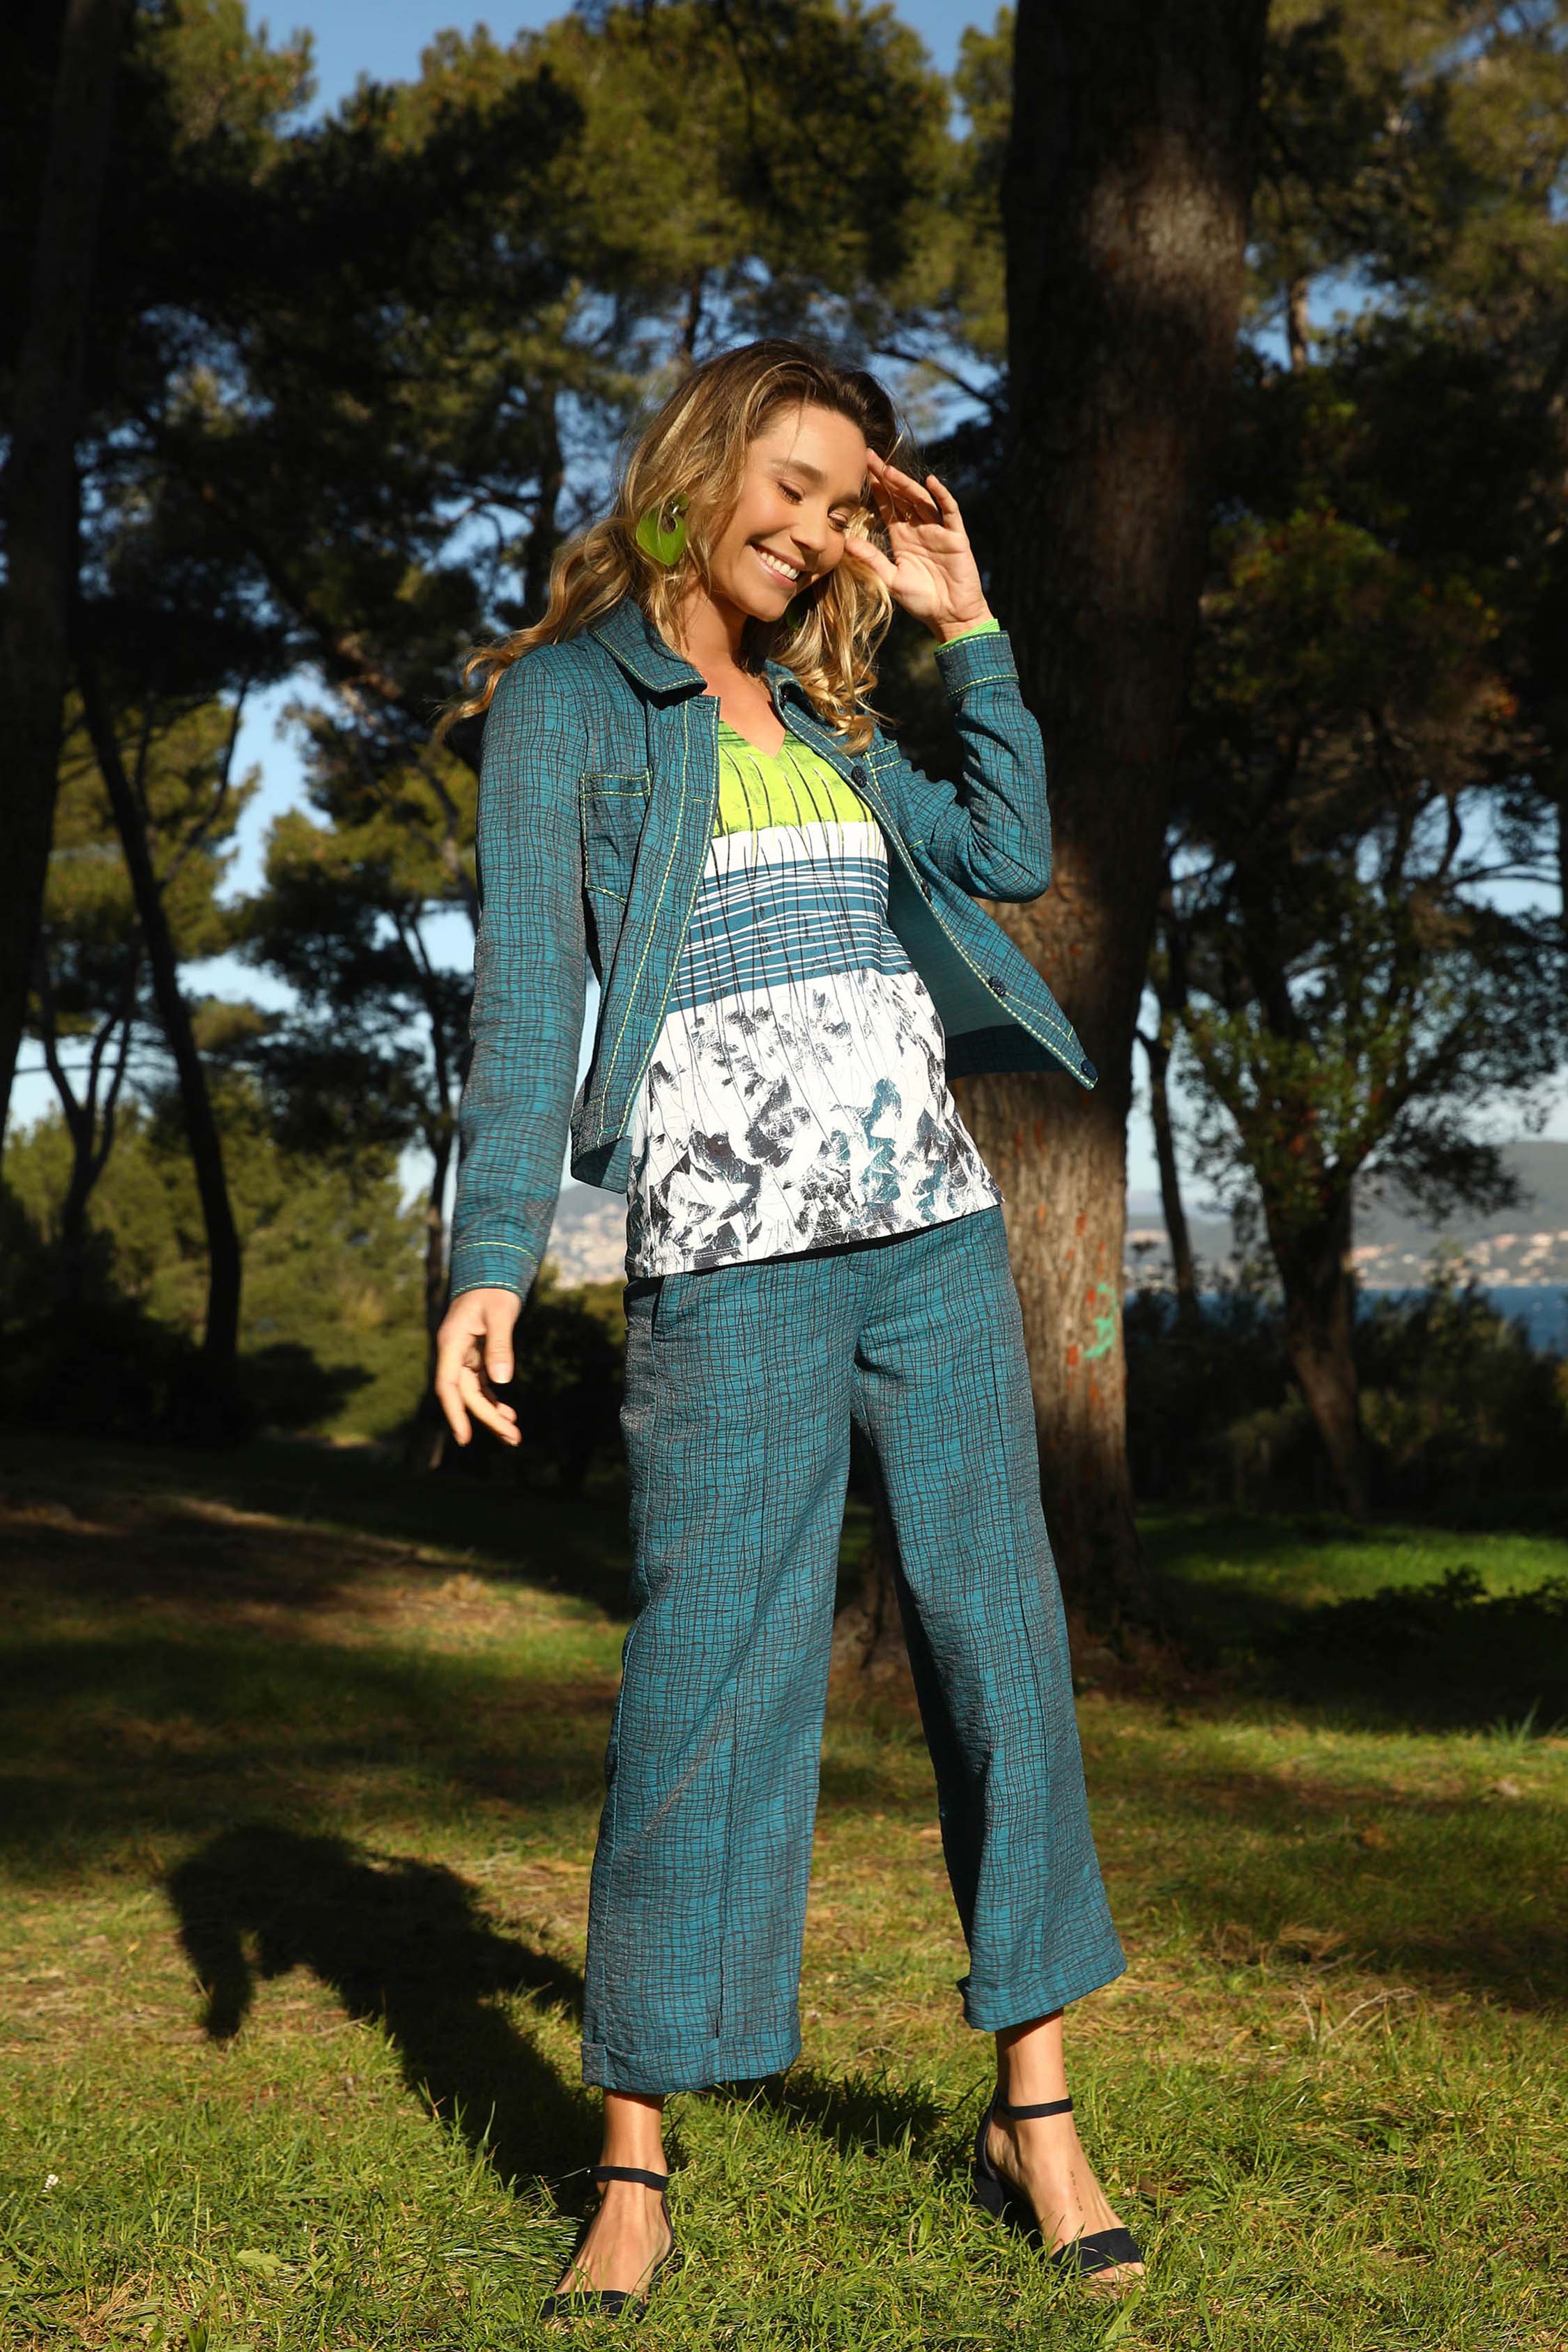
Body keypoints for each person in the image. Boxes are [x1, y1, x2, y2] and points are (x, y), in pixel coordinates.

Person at [432, 339, 1144, 2322]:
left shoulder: (835, 720)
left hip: (932, 1237)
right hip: (730, 1262)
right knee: (703, 1683)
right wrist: (491, 1261)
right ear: (702, 464)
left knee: (999, 1649)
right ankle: (633, 2161)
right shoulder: (572, 705)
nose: (821, 529)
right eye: (799, 484)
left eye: (849, 506)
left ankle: (1036, 2110)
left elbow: (1006, 855)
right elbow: (525, 1000)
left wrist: (968, 625)